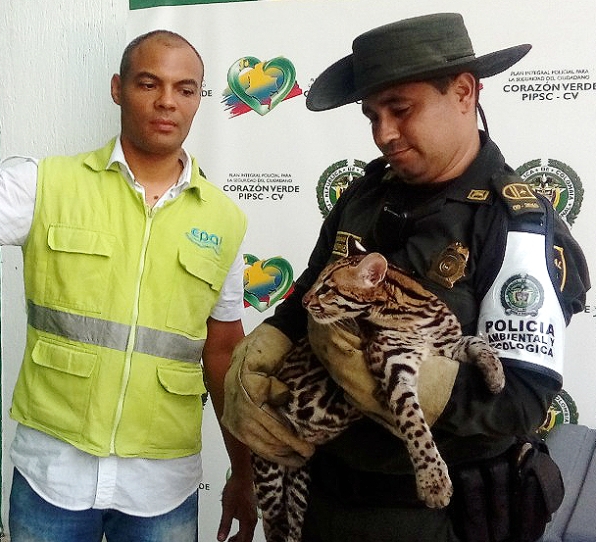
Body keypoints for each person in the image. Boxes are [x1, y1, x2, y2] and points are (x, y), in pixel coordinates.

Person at [0, 30, 257, 542]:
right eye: (148, 83)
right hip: (52, 476)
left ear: (200, 99)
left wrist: (243, 473)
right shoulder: (44, 184)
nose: (166, 102)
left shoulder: (225, 221)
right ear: (118, 88)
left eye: (185, 89)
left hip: (162, 485)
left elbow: (223, 355)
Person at [222, 12, 589, 542]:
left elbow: (522, 401)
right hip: (324, 502)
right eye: (372, 116)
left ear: (464, 92)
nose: (383, 134)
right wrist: (271, 339)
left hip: (433, 517)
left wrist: (421, 387)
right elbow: (308, 291)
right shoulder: (364, 196)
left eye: (401, 109)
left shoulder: (518, 227)